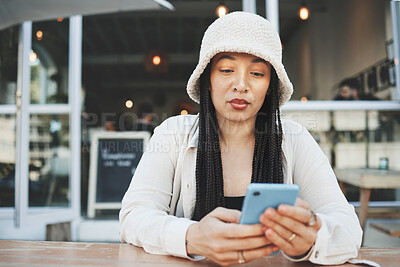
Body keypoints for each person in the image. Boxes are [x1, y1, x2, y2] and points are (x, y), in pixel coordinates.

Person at [120, 12, 362, 266]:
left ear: (270, 85)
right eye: (226, 69)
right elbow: (133, 217)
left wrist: (312, 238)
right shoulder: (173, 134)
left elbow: (348, 228)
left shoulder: (295, 139)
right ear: (208, 80)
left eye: (257, 73)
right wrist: (191, 237)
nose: (241, 84)